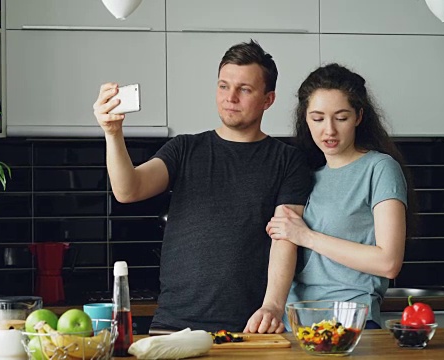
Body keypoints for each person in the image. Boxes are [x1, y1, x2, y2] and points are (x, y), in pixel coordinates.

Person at [93, 40, 312, 333]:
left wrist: (272, 305)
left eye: (244, 89)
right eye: (223, 86)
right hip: (173, 325)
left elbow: (285, 237)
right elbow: (128, 189)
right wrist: (112, 133)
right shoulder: (185, 148)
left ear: (268, 99)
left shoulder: (287, 161)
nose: (230, 97)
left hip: (249, 329)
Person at [266, 63, 416, 328]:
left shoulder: (379, 168)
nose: (329, 130)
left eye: (341, 117)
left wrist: (307, 236)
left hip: (351, 322)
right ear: (305, 118)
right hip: (295, 324)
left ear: (359, 116)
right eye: (318, 118)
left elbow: (389, 262)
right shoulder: (305, 174)